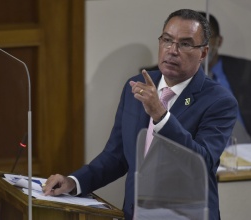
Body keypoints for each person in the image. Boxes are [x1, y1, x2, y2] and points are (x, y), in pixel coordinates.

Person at [42, 9, 238, 220]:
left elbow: (201, 162)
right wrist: (74, 181)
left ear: (203, 53)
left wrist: (161, 117)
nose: (172, 50)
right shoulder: (136, 86)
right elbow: (116, 156)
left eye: (185, 44)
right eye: (167, 40)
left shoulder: (219, 101)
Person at [199, 12, 251, 144]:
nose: (200, 46)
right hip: (205, 158)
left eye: (206, 38)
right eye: (192, 41)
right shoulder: (174, 76)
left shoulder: (249, 71)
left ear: (219, 41)